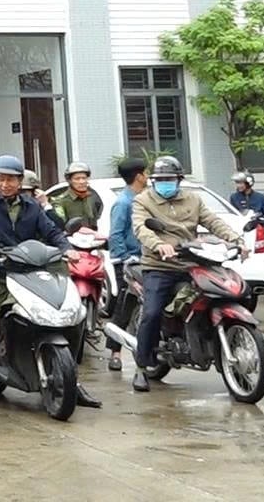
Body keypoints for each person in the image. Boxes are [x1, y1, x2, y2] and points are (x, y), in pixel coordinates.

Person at [0, 154, 98, 411]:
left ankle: (72, 379)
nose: (5, 184)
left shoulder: (31, 206)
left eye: (11, 179)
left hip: (32, 268)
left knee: (72, 316)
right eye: (1, 179)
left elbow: (52, 231)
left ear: (20, 181)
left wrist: (66, 248)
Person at [129, 156, 246, 393]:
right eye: (160, 180)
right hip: (160, 266)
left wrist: (237, 240)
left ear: (179, 179)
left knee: (222, 293)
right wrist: (158, 244)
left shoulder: (193, 199)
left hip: (192, 263)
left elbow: (213, 222)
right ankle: (141, 366)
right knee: (151, 313)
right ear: (153, 181)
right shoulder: (143, 200)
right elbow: (141, 228)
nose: (165, 183)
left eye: (170, 179)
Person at [104, 157, 148, 372]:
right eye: (145, 173)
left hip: (146, 261)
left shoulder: (143, 198)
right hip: (127, 262)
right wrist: (123, 259)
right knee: (124, 306)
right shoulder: (123, 202)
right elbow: (116, 234)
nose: (147, 177)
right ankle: (114, 352)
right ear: (139, 176)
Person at [49, 161, 104, 228]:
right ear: (69, 181)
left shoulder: (92, 196)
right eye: (77, 179)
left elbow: (98, 213)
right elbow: (61, 225)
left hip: (94, 235)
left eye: (84, 178)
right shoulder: (60, 201)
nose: (81, 182)